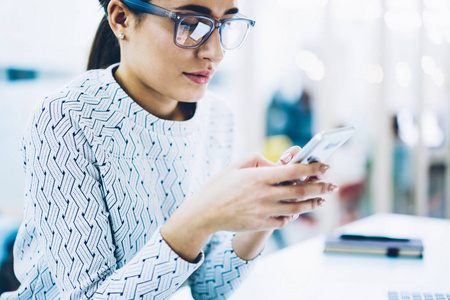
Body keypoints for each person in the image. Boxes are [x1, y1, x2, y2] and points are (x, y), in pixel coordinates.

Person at [1, 0, 338, 299]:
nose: (215, 52)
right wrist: (200, 217)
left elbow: (209, 288)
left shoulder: (217, 117)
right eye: (191, 24)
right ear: (121, 19)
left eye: (225, 25)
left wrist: (267, 212)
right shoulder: (66, 116)